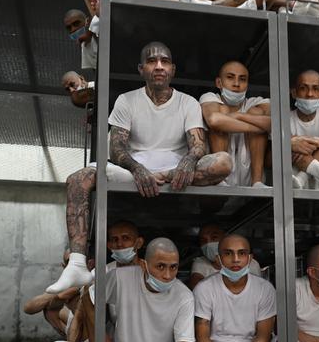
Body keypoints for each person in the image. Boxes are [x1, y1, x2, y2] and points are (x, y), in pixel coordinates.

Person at [49, 41, 231, 295]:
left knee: (223, 162)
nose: (158, 66)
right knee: (78, 178)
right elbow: (117, 149)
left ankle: (166, 174)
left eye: (164, 61)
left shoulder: (188, 103)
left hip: (178, 174)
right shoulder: (127, 100)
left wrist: (187, 162)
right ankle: (77, 264)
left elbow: (198, 146)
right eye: (152, 61)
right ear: (141, 69)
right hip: (134, 173)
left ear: (173, 69)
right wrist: (138, 169)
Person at [46, 237, 200, 342]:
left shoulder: (184, 296)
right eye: (160, 266)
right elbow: (88, 297)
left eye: (173, 267)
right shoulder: (120, 277)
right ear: (143, 264)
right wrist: (100, 340)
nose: (167, 275)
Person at [199, 61, 271, 187]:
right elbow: (214, 120)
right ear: (219, 83)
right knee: (222, 114)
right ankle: (220, 180)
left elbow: (275, 123)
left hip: (249, 184)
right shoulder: (210, 97)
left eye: (242, 79)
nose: (236, 84)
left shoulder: (257, 102)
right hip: (215, 184)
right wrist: (257, 128)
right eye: (230, 77)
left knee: (256, 113)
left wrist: (239, 115)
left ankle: (257, 182)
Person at [189, 223, 263, 288]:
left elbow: (256, 290)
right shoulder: (200, 262)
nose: (209, 244)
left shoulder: (251, 264)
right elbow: (197, 286)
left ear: (225, 237)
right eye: (203, 241)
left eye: (214, 237)